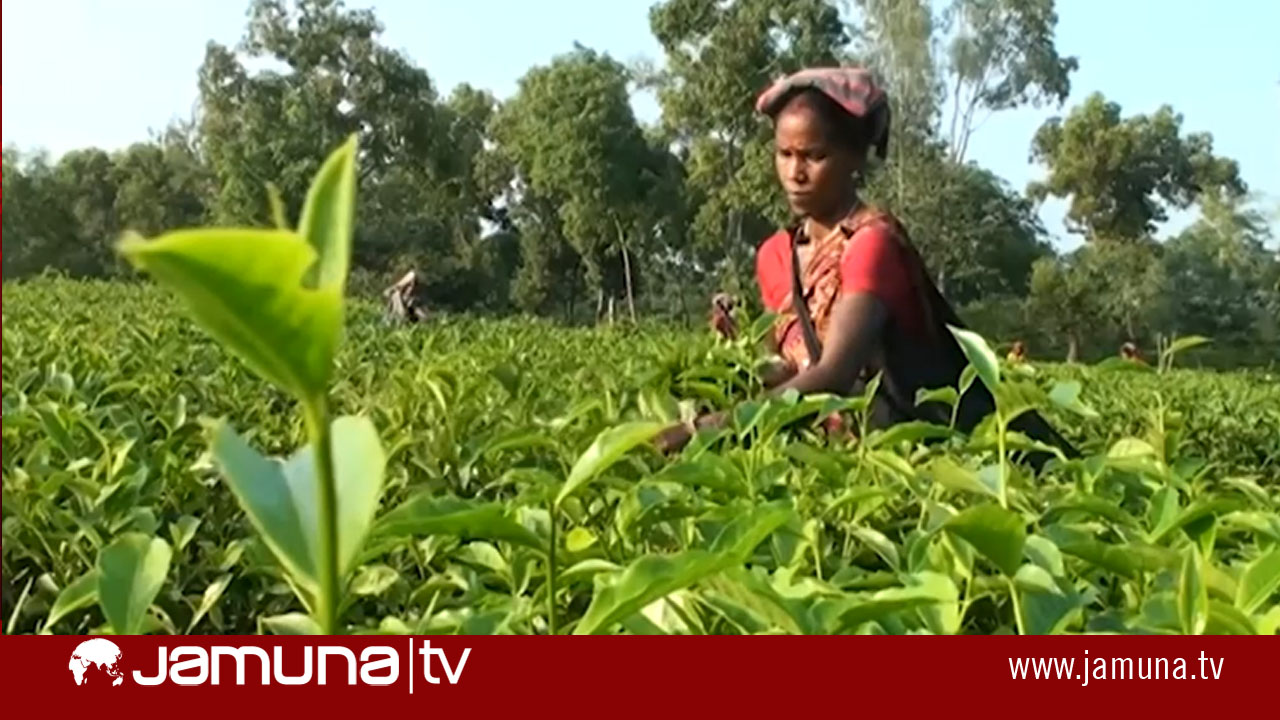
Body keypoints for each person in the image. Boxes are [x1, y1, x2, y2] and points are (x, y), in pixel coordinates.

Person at [656, 67, 1075, 464]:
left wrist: (704, 430)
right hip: (820, 458)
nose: (795, 173)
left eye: (814, 156)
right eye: (784, 154)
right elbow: (790, 369)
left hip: (908, 458)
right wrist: (728, 365)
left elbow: (834, 374)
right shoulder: (775, 254)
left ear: (854, 158)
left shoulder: (871, 245)